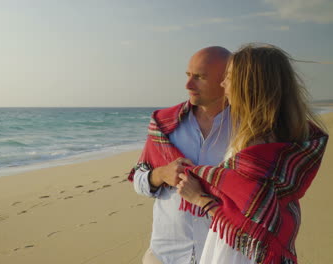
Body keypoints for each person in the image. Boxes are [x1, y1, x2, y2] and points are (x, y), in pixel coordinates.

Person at [176, 44, 328, 264]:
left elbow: (251, 223)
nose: (222, 84)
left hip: (240, 254)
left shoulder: (257, 146)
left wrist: (199, 198)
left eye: (228, 77)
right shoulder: (289, 137)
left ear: (247, 85)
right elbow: (265, 209)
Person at [128, 46, 231, 264]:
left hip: (220, 255)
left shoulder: (248, 130)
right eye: (188, 75)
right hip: (165, 255)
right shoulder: (165, 124)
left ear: (227, 80)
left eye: (200, 77)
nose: (188, 85)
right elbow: (138, 180)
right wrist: (161, 174)